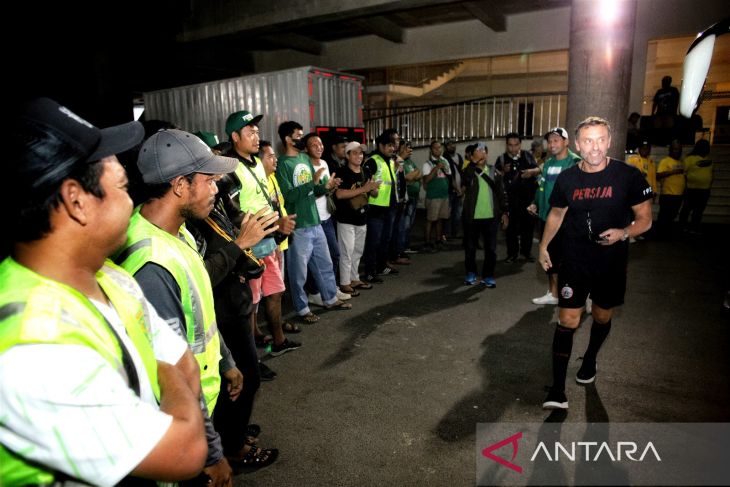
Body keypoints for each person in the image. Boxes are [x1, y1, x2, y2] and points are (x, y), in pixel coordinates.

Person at [1, 97, 207, 486]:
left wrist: (167, 381)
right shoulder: (31, 345)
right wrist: (165, 372)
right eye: (123, 186)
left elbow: (190, 367)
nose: (132, 201)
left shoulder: (111, 276)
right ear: (76, 200)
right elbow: (183, 450)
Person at [115, 129, 251, 484]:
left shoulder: (179, 233)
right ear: (179, 185)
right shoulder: (151, 266)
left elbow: (198, 309)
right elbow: (170, 368)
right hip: (182, 426)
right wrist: (211, 452)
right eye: (208, 180)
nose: (216, 189)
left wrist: (226, 360)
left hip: (200, 409)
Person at [538, 116, 653, 410]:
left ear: (609, 141)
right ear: (578, 144)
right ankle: (557, 391)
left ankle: (589, 360)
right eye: (588, 140)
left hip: (610, 261)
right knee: (568, 320)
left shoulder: (628, 176)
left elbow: (645, 220)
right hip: (575, 259)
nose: (595, 147)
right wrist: (543, 245)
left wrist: (624, 232)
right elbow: (556, 214)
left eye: (601, 139)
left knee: (602, 316)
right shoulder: (567, 178)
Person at [222, 111, 299, 356]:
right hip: (249, 248)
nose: (256, 137)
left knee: (275, 293)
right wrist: (272, 226)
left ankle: (278, 341)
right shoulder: (229, 167)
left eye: (257, 132)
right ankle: (250, 359)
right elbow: (232, 213)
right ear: (235, 136)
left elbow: (266, 200)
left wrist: (278, 222)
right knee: (250, 303)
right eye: (250, 132)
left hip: (269, 242)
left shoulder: (256, 162)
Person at [275, 122, 349, 323]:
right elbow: (288, 196)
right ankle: (302, 309)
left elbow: (313, 191)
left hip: (315, 221)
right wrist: (312, 183)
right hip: (298, 225)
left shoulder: (304, 158)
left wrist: (326, 187)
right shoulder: (283, 164)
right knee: (299, 273)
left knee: (325, 264)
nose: (302, 138)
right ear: (288, 139)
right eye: (298, 135)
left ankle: (330, 298)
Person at [527, 127, 581, 305]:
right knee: (549, 257)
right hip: (546, 218)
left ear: (566, 142)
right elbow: (542, 186)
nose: (552, 144)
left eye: (556, 140)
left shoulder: (575, 163)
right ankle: (553, 293)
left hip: (566, 221)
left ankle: (581, 294)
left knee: (570, 260)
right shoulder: (549, 164)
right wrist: (536, 202)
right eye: (550, 141)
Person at [335, 141, 380, 293]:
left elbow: (373, 193)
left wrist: (373, 189)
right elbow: (340, 194)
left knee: (358, 250)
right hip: (346, 218)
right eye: (354, 153)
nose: (359, 156)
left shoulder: (365, 172)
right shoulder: (342, 172)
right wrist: (364, 188)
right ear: (347, 156)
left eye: (361, 153)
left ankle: (354, 279)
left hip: (362, 217)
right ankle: (344, 282)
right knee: (346, 251)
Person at [461, 142, 507, 288]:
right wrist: (473, 162)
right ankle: (470, 273)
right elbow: (465, 180)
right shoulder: (468, 170)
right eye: (478, 151)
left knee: (491, 249)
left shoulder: (494, 171)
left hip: (491, 218)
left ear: (487, 154)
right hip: (472, 217)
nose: (481, 153)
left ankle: (488, 276)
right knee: (470, 248)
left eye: (483, 151)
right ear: (472, 155)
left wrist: (505, 212)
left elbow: (501, 193)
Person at [362, 128, 402, 281]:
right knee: (374, 240)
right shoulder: (372, 161)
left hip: (389, 206)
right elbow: (366, 182)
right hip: (375, 208)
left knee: (385, 238)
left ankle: (381, 266)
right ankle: (370, 272)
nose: (392, 148)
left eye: (393, 145)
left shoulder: (390, 161)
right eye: (388, 145)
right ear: (380, 145)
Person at [496, 132, 540, 262]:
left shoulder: (528, 156)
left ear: (520, 144)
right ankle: (512, 254)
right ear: (506, 145)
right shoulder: (501, 159)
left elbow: (536, 171)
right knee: (511, 229)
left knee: (528, 227)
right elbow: (496, 180)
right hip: (510, 200)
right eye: (510, 145)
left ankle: (526, 252)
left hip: (527, 200)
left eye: (516, 145)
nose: (513, 148)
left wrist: (530, 173)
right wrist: (503, 171)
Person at [421, 140, 451, 252]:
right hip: (433, 196)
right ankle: (427, 242)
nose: (438, 150)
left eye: (439, 148)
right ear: (431, 150)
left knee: (440, 219)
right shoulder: (427, 164)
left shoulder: (445, 161)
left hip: (444, 195)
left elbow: (449, 176)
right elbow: (426, 180)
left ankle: (438, 240)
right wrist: (436, 168)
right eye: (435, 148)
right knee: (430, 220)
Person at [679, 139, 713, 234]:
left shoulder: (709, 159)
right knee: (686, 209)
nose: (706, 149)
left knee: (698, 211)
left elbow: (711, 173)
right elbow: (683, 173)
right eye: (704, 147)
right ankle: (682, 227)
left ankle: (694, 227)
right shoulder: (689, 159)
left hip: (705, 190)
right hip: (691, 189)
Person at [656, 140, 685, 239]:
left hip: (678, 194)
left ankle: (667, 234)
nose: (678, 151)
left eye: (679, 149)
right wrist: (673, 172)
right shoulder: (665, 161)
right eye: (676, 149)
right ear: (671, 150)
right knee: (664, 216)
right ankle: (660, 235)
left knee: (672, 215)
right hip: (668, 194)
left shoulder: (681, 162)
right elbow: (658, 175)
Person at [399, 140, 421, 255]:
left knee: (410, 224)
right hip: (406, 198)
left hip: (414, 196)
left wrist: (413, 176)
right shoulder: (399, 161)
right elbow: (406, 178)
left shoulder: (409, 161)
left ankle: (406, 246)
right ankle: (401, 248)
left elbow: (419, 173)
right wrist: (413, 176)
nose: (409, 149)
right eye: (406, 147)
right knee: (405, 225)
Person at [443, 140, 465, 239]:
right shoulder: (444, 158)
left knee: (457, 213)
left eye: (453, 144)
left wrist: (462, 188)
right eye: (449, 145)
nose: (452, 146)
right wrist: (456, 188)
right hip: (449, 190)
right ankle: (446, 234)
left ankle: (454, 233)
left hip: (460, 190)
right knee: (447, 213)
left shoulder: (459, 157)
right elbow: (448, 176)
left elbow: (463, 172)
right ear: (446, 147)